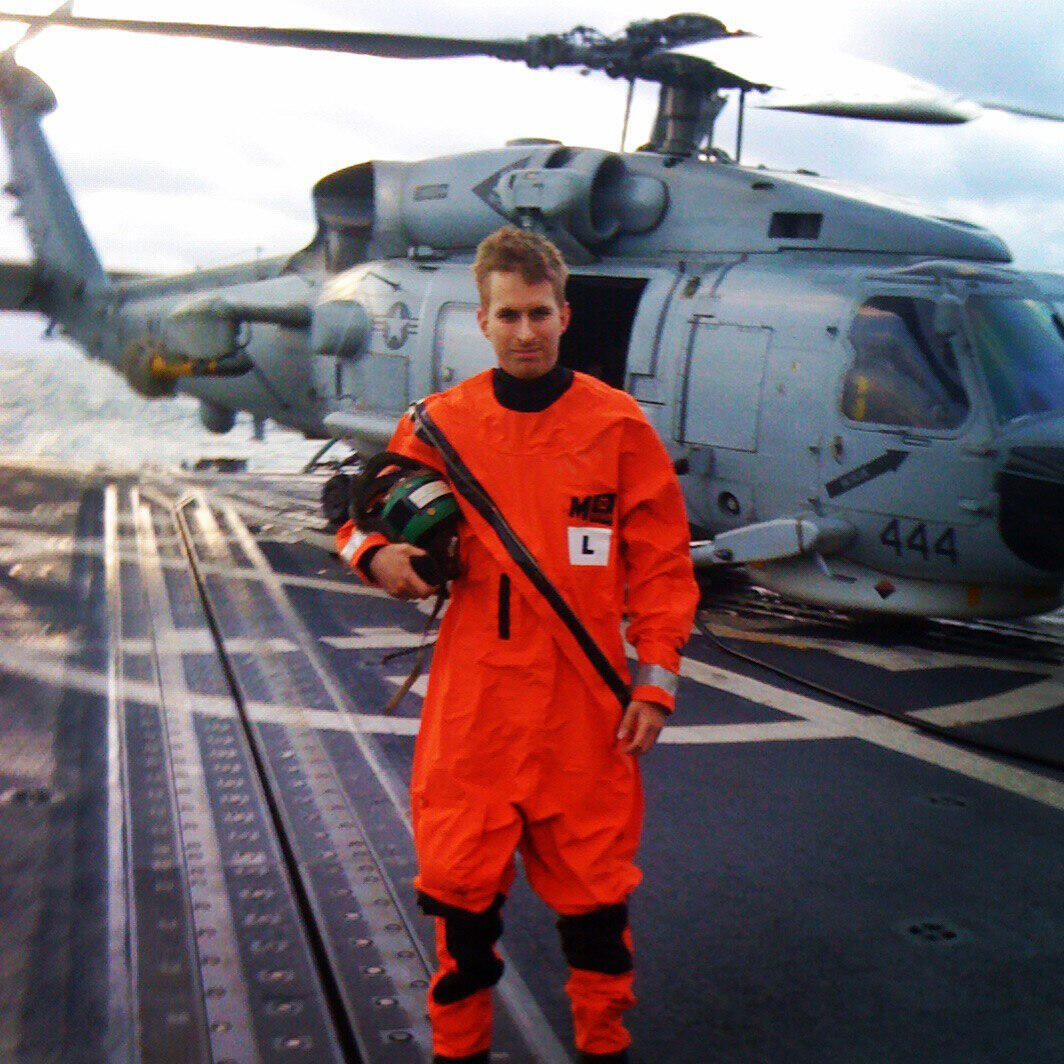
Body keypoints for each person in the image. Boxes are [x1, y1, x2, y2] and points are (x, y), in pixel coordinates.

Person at [337, 226, 699, 1063]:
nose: (526, 331)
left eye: (540, 313)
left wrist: (655, 685)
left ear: (565, 315)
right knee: (461, 912)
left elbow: (663, 567)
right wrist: (378, 557)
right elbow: (357, 515)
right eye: (509, 315)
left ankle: (603, 1048)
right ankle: (457, 1052)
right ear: (483, 321)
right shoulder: (439, 424)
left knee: (598, 913)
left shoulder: (618, 427)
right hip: (477, 710)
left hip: (584, 711)